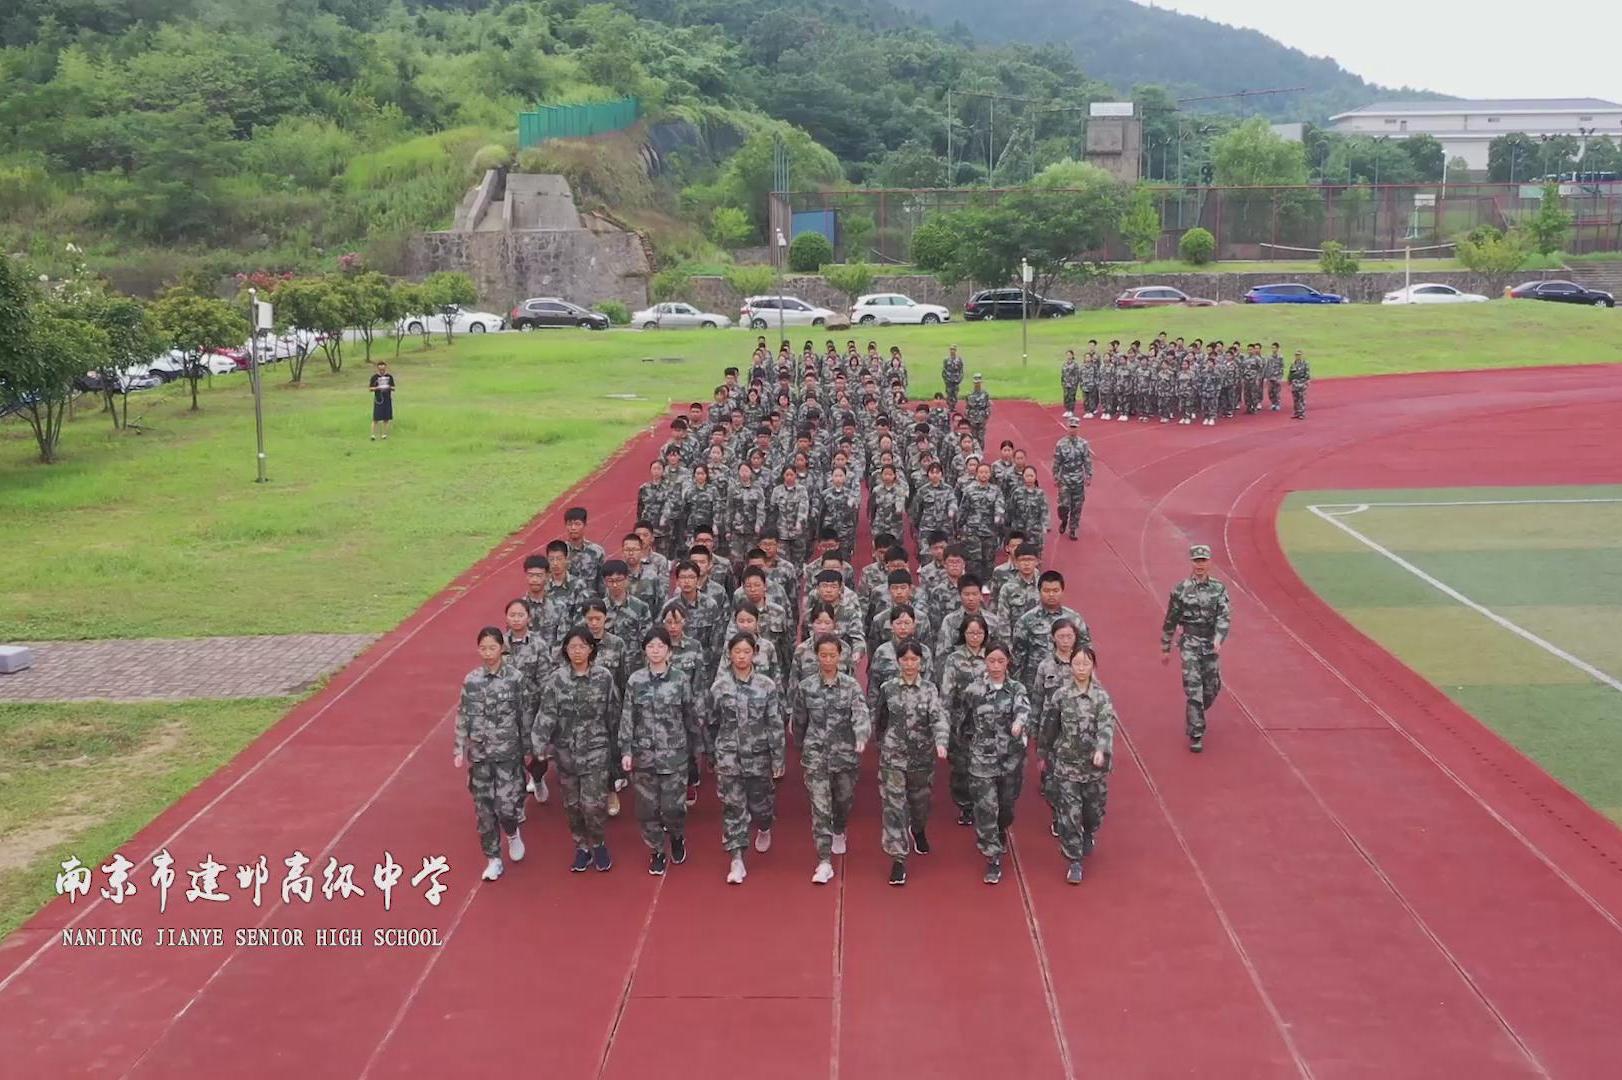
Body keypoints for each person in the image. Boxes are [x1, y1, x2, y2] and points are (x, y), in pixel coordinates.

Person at [532, 627, 619, 873]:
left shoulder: (604, 677)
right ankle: (581, 847)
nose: (577, 652)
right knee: (572, 805)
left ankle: (599, 843)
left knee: (592, 804)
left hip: (596, 751)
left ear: (591, 649)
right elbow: (547, 714)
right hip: (566, 753)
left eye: (582, 646)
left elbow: (613, 713)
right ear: (565, 651)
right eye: (572, 647)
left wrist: (619, 748)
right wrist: (538, 745)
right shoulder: (557, 679)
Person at [792, 633, 871, 884]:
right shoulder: (806, 687)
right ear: (816, 657)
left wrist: (861, 735)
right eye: (823, 655)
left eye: (832, 655)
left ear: (840, 657)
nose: (827, 659)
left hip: (845, 754)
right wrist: (800, 745)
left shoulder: (850, 686)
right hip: (816, 755)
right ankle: (824, 860)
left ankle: (840, 828)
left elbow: (860, 713)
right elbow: (800, 720)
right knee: (820, 808)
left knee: (844, 799)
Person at [707, 632, 786, 884]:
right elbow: (711, 721)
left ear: (754, 654)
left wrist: (778, 758)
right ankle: (737, 858)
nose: (741, 656)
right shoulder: (719, 687)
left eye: (746, 652)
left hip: (759, 755)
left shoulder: (766, 685)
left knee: (761, 805)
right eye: (736, 652)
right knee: (733, 807)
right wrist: (713, 753)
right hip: (729, 756)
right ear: (729, 655)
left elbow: (774, 723)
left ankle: (764, 826)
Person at [620, 628, 700, 875]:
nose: (655, 651)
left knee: (673, 807)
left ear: (669, 651)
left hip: (674, 755)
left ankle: (676, 836)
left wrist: (696, 750)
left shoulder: (680, 680)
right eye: (651, 646)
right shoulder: (635, 681)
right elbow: (627, 716)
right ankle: (656, 850)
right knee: (646, 809)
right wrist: (625, 750)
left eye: (660, 646)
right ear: (644, 650)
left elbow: (689, 714)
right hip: (644, 756)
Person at [454, 627, 529, 882]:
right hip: (480, 756)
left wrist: (529, 747)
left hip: (508, 754)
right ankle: (493, 859)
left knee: (507, 808)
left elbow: (524, 713)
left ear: (502, 648)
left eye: (492, 647)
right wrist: (459, 747)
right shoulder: (471, 680)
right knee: (484, 812)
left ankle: (512, 833)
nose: (487, 653)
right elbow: (462, 715)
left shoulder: (515, 678)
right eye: (483, 648)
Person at [873, 640, 950, 886]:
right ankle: (898, 859)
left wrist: (941, 741)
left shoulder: (929, 690)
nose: (909, 664)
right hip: (893, 757)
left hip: (921, 758)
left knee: (920, 804)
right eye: (904, 660)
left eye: (914, 660)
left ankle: (918, 829)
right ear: (897, 662)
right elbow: (880, 717)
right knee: (894, 807)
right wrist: (880, 742)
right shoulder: (888, 689)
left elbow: (938, 717)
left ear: (921, 662)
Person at [1041, 645, 1116, 883]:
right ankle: (1074, 860)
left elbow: (1106, 726)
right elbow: (1050, 726)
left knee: (1092, 812)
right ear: (1071, 667)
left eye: (1086, 664)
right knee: (1069, 815)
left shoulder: (1101, 697)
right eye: (1077, 664)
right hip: (1067, 767)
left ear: (1093, 667)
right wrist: (1043, 753)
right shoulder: (1061, 696)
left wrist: (1101, 750)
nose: (1081, 668)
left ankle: (1089, 833)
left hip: (1094, 769)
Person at [961, 644, 1030, 885]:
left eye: (1001, 661)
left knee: (1006, 807)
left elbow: (1024, 710)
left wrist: (1019, 724)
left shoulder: (1016, 688)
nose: (996, 666)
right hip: (982, 759)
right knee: (986, 807)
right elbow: (964, 720)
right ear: (985, 662)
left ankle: (1001, 829)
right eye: (991, 661)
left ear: (1008, 662)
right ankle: (992, 857)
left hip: (1010, 759)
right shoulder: (974, 690)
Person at [1160, 544, 1232, 753]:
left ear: (1209, 562)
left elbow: (1224, 616)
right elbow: (1170, 619)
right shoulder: (1180, 589)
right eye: (1196, 560)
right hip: (1190, 642)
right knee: (1194, 689)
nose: (1199, 564)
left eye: (1203, 560)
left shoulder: (1219, 589)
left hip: (1210, 642)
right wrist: (1166, 646)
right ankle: (1196, 732)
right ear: (1191, 562)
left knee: (1212, 687)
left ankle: (1196, 712)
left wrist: (1219, 638)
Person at [938, 613, 991, 827]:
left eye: (979, 632)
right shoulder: (954, 658)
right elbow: (947, 691)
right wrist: (945, 718)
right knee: (960, 767)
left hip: (987, 722)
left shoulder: (992, 656)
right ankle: (965, 805)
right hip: (960, 721)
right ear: (963, 634)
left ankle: (984, 805)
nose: (975, 636)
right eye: (971, 632)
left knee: (986, 766)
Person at [1052, 417, 1093, 541]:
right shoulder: (1060, 444)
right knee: (1064, 505)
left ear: (1078, 428)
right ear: (1067, 427)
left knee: (1077, 506)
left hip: (1078, 479)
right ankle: (1064, 520)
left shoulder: (1083, 444)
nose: (1072, 429)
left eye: (1075, 427)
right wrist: (1055, 476)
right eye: (1071, 427)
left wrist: (1089, 475)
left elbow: (1087, 461)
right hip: (1065, 479)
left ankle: (1073, 528)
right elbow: (1056, 461)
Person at [368, 360, 396, 441]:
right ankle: (373, 435)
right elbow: (370, 388)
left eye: (383, 369)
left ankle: (384, 434)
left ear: (385, 368)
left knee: (386, 418)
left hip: (387, 399)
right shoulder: (374, 377)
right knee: (376, 418)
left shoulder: (389, 377)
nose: (382, 371)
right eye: (380, 369)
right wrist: (377, 388)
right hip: (378, 399)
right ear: (378, 368)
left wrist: (388, 387)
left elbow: (393, 387)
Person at [965, 373, 992, 446]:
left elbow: (988, 406)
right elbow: (967, 407)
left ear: (981, 383)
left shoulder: (985, 394)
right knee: (973, 437)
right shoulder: (969, 394)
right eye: (976, 382)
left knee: (981, 437)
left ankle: (980, 453)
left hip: (982, 418)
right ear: (973, 383)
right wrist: (968, 417)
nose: (977, 384)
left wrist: (986, 415)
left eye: (979, 382)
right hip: (972, 418)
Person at [941, 345, 965, 413]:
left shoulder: (959, 360)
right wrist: (945, 380)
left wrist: (960, 379)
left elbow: (961, 370)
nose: (952, 351)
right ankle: (949, 406)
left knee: (955, 393)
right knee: (949, 393)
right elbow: (944, 370)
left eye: (953, 349)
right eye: (951, 349)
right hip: (948, 380)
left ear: (955, 350)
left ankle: (953, 406)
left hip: (956, 380)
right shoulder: (946, 359)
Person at [1289, 350, 1312, 420]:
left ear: (1301, 356)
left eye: (1299, 355)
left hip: (1301, 383)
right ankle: (1296, 413)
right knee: (1295, 399)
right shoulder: (1293, 363)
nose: (1297, 356)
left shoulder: (1305, 363)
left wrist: (1306, 382)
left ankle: (1302, 413)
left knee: (1301, 399)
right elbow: (1291, 373)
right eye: (1296, 355)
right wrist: (1289, 381)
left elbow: (1307, 374)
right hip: (1294, 384)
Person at [1059, 349, 1082, 418]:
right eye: (1067, 355)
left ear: (1072, 356)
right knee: (1066, 397)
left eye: (1070, 355)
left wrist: (1075, 384)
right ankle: (1067, 409)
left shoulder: (1075, 365)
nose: (1068, 356)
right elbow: (1063, 374)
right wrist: (1062, 382)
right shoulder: (1064, 364)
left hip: (1072, 384)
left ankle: (1071, 410)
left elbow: (1077, 375)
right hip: (1066, 383)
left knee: (1071, 397)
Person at [1264, 342, 1285, 411]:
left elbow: (1282, 367)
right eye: (1272, 348)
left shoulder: (1280, 357)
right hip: (1270, 377)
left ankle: (1277, 404)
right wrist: (1265, 376)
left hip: (1277, 377)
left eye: (1275, 348)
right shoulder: (1269, 357)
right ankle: (1273, 403)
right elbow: (1267, 366)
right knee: (1270, 391)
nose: (1273, 349)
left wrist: (1280, 377)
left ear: (1278, 348)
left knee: (1277, 391)